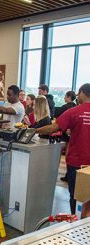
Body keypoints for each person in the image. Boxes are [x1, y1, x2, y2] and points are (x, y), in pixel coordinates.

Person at [35, 83, 90, 214]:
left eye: (78, 94)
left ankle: (76, 223)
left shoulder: (74, 112)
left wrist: (34, 130)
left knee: (76, 196)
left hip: (77, 161)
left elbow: (53, 128)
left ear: (82, 93)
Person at [55, 91, 76, 182]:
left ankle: (57, 171)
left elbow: (58, 117)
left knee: (65, 152)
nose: (64, 98)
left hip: (65, 132)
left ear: (69, 97)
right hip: (72, 133)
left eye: (65, 96)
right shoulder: (76, 106)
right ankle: (69, 174)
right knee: (69, 151)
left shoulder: (65, 107)